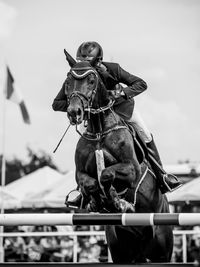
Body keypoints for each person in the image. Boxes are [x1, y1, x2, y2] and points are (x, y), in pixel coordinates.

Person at [52, 41, 181, 197]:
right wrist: (77, 103)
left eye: (87, 61)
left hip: (123, 110)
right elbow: (56, 103)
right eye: (80, 62)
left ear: (98, 60)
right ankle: (83, 191)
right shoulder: (77, 75)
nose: (83, 66)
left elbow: (141, 83)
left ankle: (162, 175)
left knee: (145, 133)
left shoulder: (113, 69)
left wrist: (122, 93)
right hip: (96, 117)